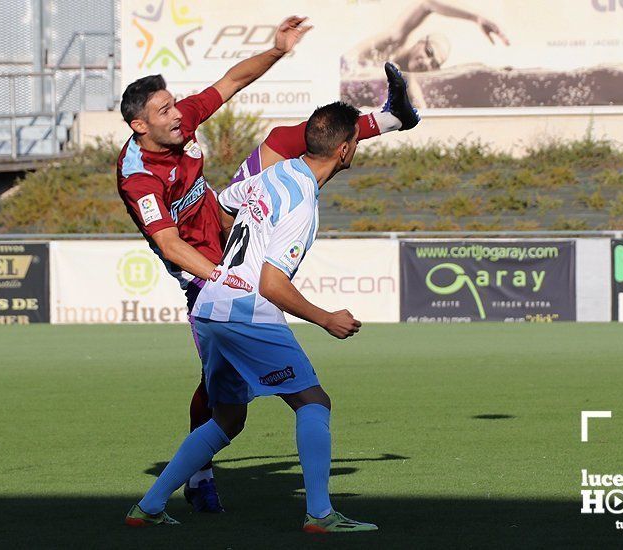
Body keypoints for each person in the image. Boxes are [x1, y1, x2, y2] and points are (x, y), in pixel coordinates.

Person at [117, 20, 419, 513]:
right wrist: (222, 275)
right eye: (164, 110)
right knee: (246, 392)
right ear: (139, 126)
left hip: (229, 239)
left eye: (174, 105)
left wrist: (276, 51)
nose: (178, 114)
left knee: (283, 138)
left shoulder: (178, 124)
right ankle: (212, 479)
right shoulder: (139, 179)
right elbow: (171, 246)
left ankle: (391, 119)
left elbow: (232, 82)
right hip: (206, 277)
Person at [126, 101, 377, 533]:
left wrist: (233, 266)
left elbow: (224, 206)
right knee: (313, 401)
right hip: (246, 311)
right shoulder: (301, 202)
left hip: (210, 306)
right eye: (355, 140)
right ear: (344, 150)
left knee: (227, 418)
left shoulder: (277, 173)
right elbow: (273, 285)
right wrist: (325, 318)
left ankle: (148, 506)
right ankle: (320, 515)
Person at [342, 0, 510, 107]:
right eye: (429, 52)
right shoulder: (392, 43)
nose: (427, 63)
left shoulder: (408, 83)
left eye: (435, 64)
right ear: (421, 42)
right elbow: (427, 4)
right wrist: (477, 17)